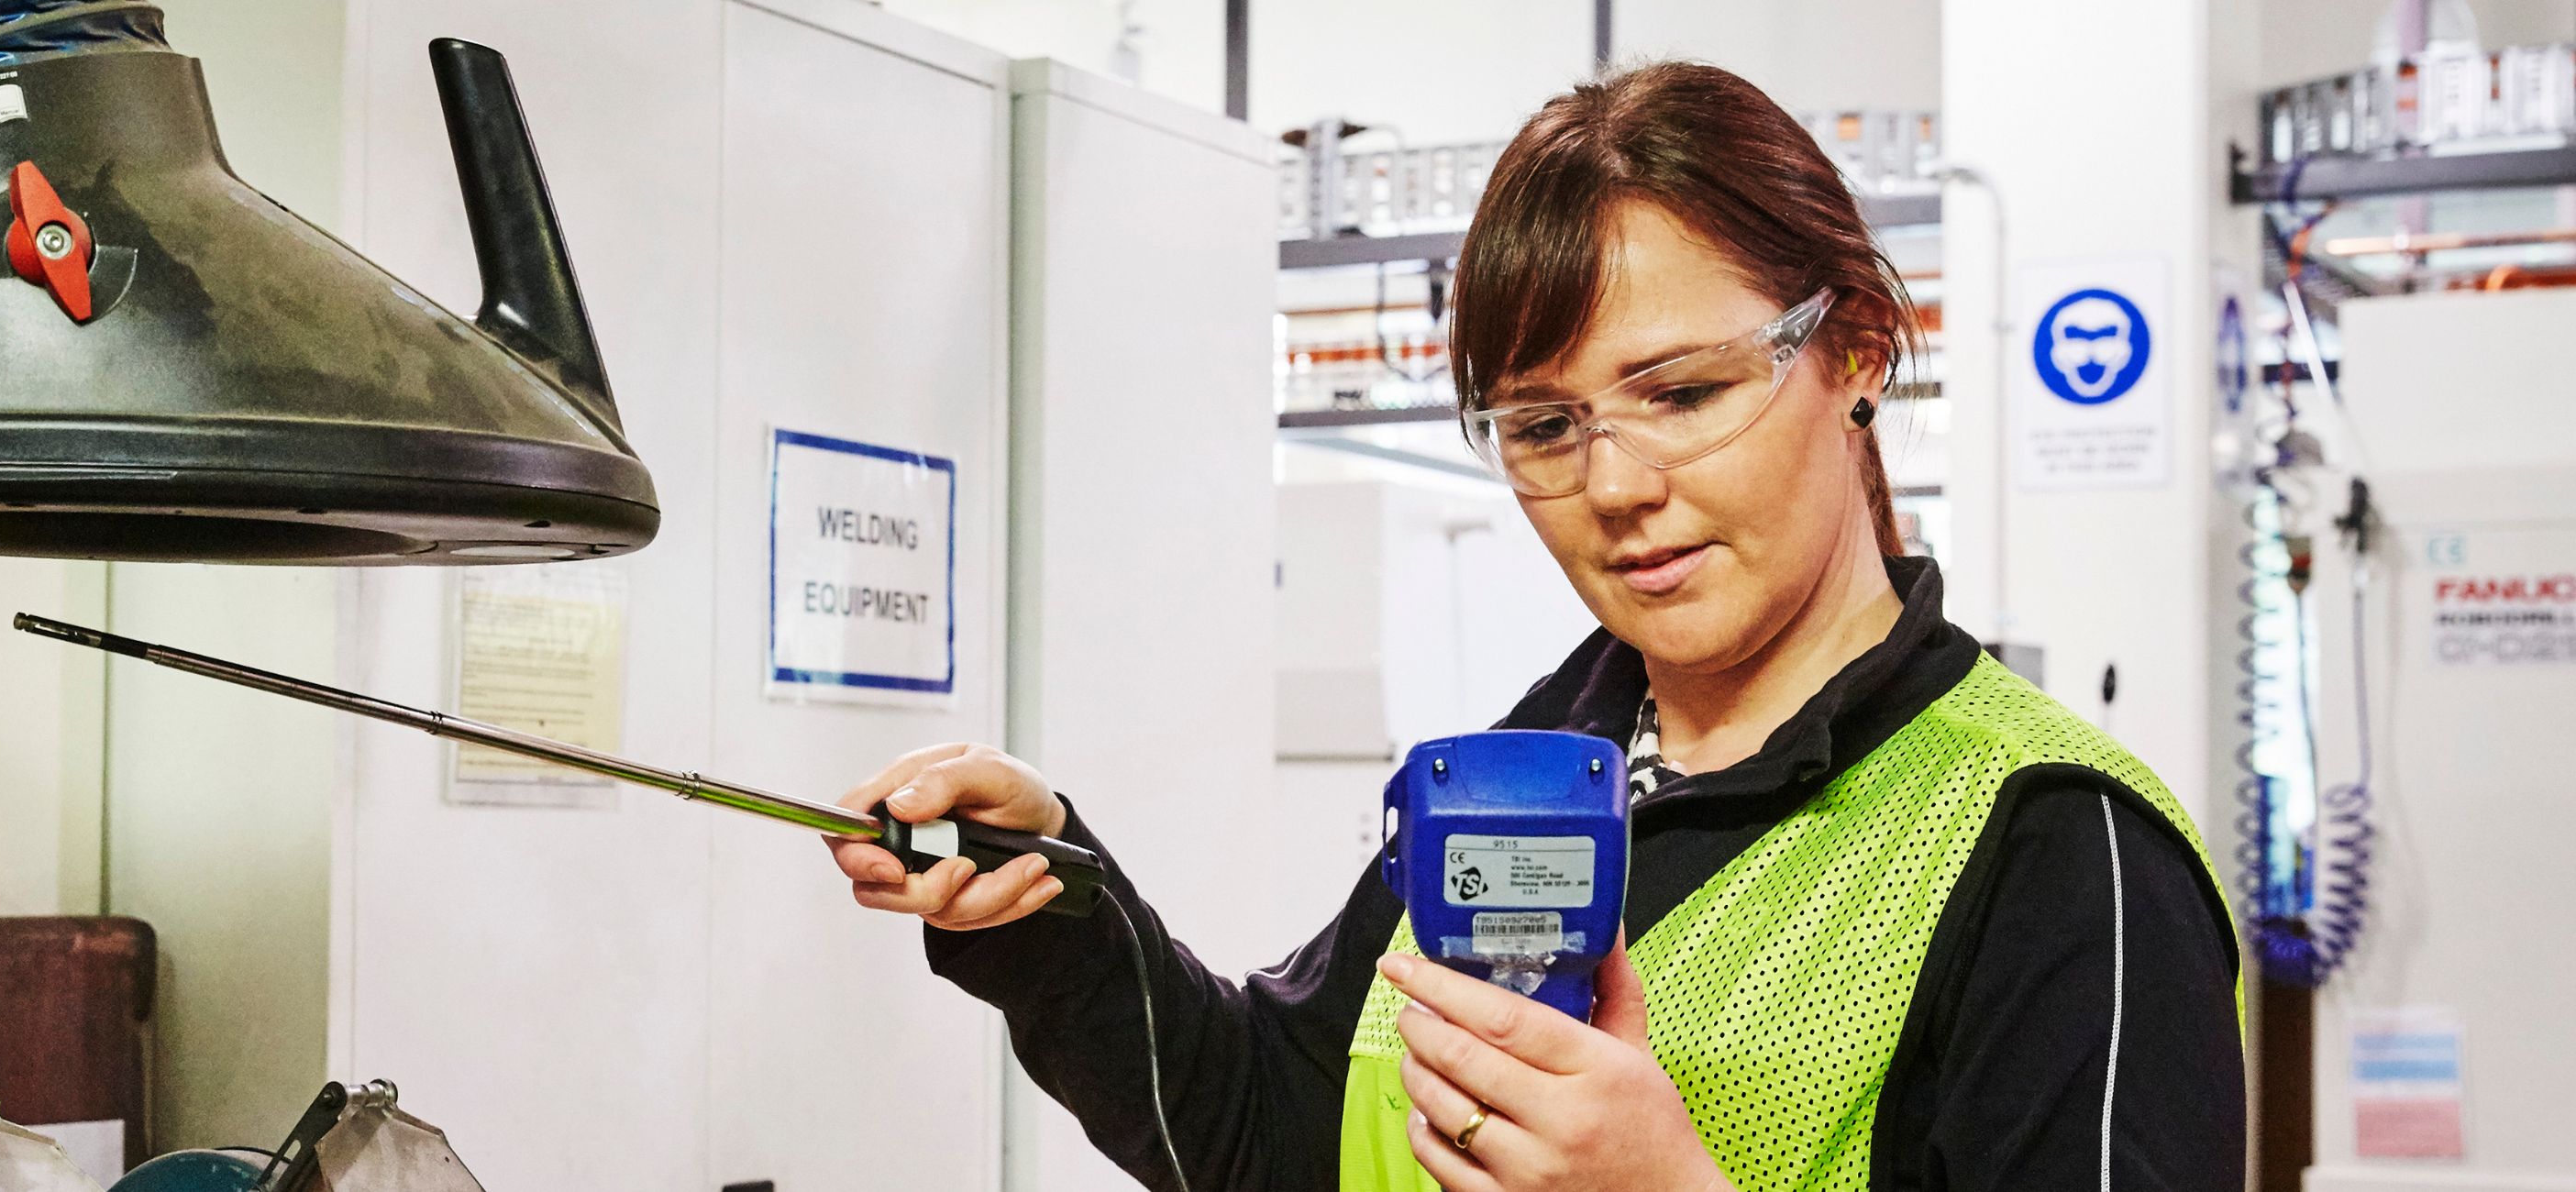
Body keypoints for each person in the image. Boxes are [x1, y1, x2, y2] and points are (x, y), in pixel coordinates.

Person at [824, 62, 2240, 1192]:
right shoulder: (1532, 761)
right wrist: (1060, 913)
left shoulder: (2056, 851)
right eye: (1547, 426)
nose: (1617, 488)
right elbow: (1281, 1135)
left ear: (1857, 351)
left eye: (1683, 393)